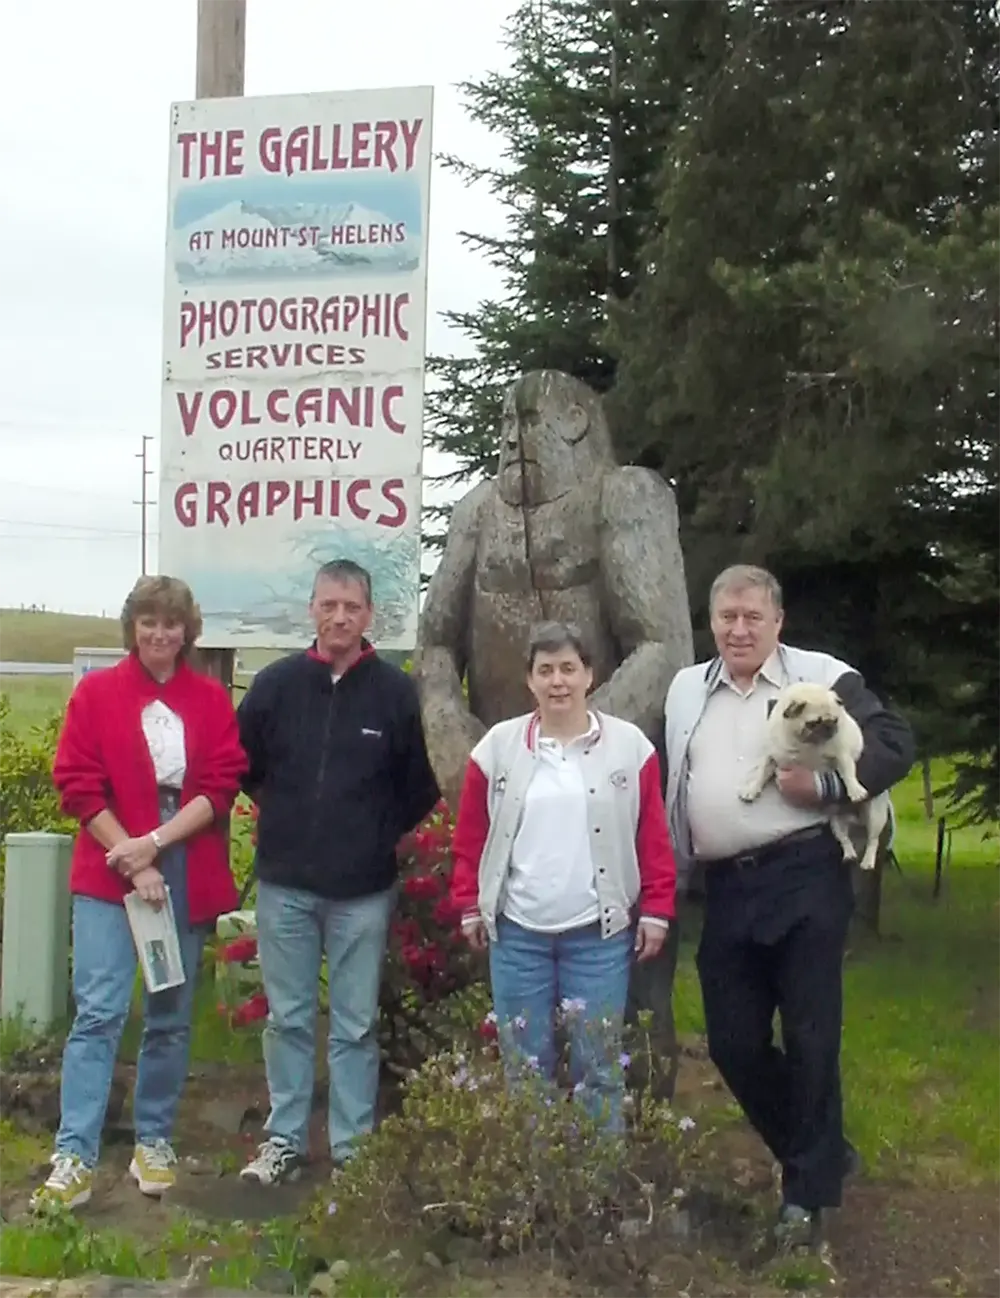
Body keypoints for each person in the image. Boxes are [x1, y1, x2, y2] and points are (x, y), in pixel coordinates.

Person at [664, 564, 915, 1246]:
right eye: (727, 617)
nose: (739, 629)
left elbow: (895, 744)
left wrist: (829, 789)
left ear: (778, 622)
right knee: (733, 1042)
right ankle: (824, 1154)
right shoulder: (687, 689)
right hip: (725, 888)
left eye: (754, 617)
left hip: (805, 875)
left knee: (810, 1037)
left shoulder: (823, 677)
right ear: (711, 621)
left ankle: (805, 1198)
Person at [33, 576, 247, 1210]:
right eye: (148, 621)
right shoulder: (97, 693)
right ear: (131, 627)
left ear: (187, 631)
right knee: (98, 1011)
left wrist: (155, 844)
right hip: (109, 862)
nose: (159, 633)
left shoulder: (210, 700)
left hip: (184, 858)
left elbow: (220, 785)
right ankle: (74, 1154)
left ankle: (153, 1141)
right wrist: (131, 854)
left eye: (171, 623)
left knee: (170, 1015)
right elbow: (76, 782)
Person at [237, 559, 441, 1185]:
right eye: (329, 605)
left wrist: (375, 832)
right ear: (312, 610)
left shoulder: (395, 693)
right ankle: (285, 1141)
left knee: (355, 1026)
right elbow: (243, 766)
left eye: (352, 607)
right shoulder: (275, 687)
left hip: (362, 891)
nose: (340, 618)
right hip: (285, 887)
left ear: (369, 615)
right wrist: (286, 816)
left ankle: (353, 1151)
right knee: (288, 1020)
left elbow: (421, 783)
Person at [449, 621, 676, 1132]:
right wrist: (469, 904)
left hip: (598, 937)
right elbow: (471, 838)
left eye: (569, 669)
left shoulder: (630, 748)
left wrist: (657, 910)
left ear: (590, 675)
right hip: (517, 935)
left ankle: (597, 1175)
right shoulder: (497, 748)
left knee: (599, 1067)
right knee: (526, 1068)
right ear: (529, 679)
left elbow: (652, 837)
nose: (558, 682)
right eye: (546, 670)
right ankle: (540, 1174)